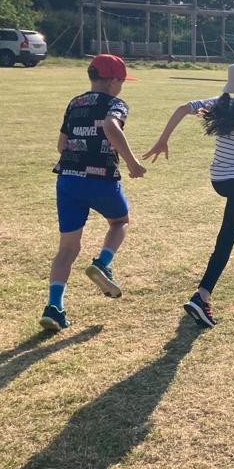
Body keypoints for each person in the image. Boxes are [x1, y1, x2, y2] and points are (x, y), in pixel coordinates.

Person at [143, 62, 234, 327]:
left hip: (219, 181)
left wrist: (163, 140)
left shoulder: (221, 104)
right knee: (226, 239)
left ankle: (203, 294)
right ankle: (202, 296)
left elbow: (183, 108)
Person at [41, 54, 147, 331]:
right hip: (100, 178)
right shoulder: (115, 104)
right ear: (112, 81)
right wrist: (132, 163)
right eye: (122, 81)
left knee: (67, 248)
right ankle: (103, 263)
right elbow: (111, 126)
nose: (122, 86)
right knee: (120, 221)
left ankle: (54, 307)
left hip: (68, 179)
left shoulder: (75, 103)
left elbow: (61, 145)